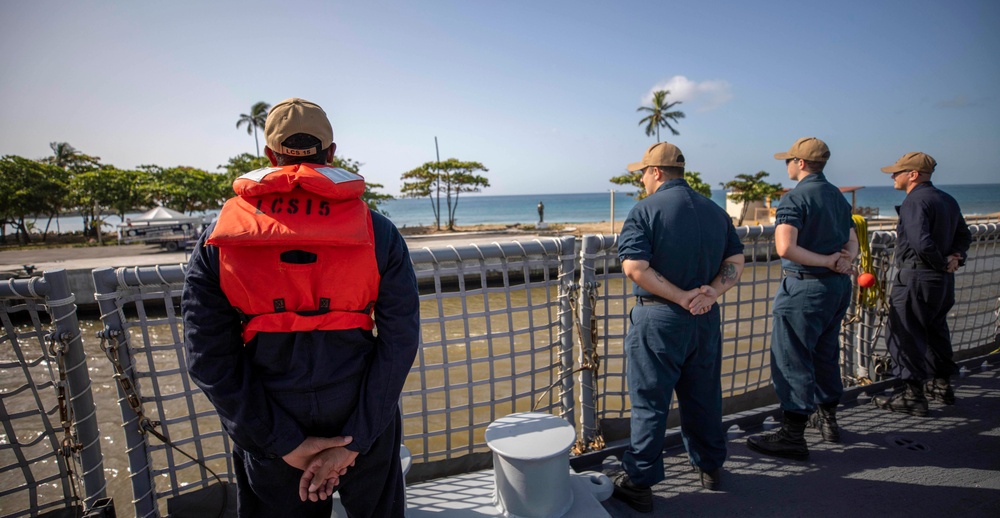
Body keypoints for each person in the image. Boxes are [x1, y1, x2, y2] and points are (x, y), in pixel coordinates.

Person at [182, 98, 420, 517]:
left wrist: (281, 442)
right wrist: (357, 440)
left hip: (268, 414)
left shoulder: (218, 240)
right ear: (330, 154)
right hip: (360, 411)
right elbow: (399, 344)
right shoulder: (379, 233)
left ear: (270, 156)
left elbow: (208, 359)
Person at [611, 142, 745, 512]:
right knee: (703, 395)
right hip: (705, 317)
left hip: (660, 318)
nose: (640, 178)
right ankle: (710, 466)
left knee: (650, 402)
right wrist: (711, 293)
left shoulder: (643, 211)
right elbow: (735, 260)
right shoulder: (715, 211)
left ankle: (639, 481)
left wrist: (681, 297)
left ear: (656, 172)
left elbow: (636, 269)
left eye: (642, 171)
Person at [746, 137, 857, 461]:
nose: (787, 166)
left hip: (804, 288)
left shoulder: (794, 199)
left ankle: (792, 434)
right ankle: (829, 420)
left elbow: (785, 248)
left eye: (789, 161)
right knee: (826, 353)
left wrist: (824, 261)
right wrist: (841, 261)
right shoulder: (837, 196)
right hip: (837, 288)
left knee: (791, 357)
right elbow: (852, 240)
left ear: (801, 164)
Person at [873, 152, 971, 415]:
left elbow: (920, 242)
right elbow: (964, 234)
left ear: (913, 174)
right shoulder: (946, 199)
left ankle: (911, 394)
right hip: (942, 281)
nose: (893, 176)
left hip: (916, 277)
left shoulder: (914, 201)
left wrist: (941, 261)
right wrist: (955, 259)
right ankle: (941, 385)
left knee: (905, 333)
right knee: (935, 331)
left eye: (898, 172)